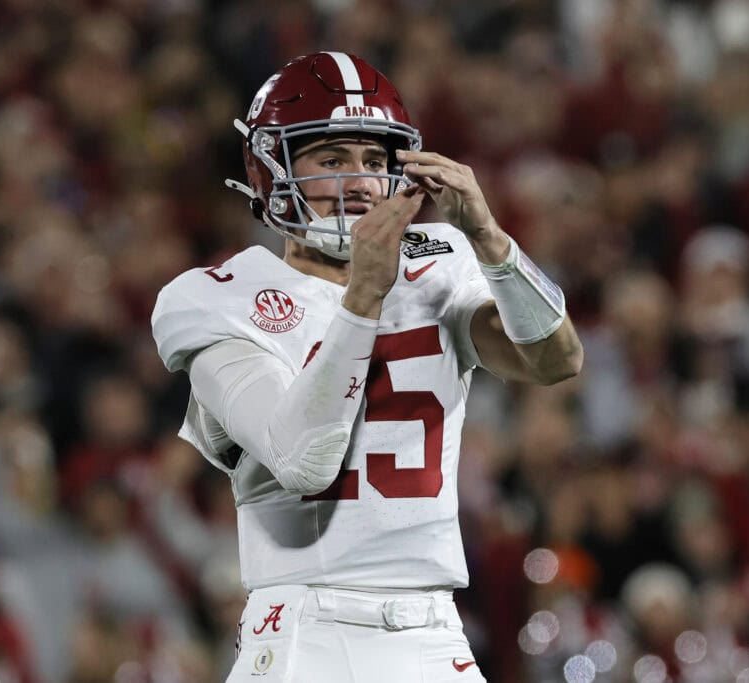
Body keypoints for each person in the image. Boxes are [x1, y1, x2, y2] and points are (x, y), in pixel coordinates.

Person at [151, 51, 583, 682]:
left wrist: (491, 238)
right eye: (332, 159)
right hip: (306, 628)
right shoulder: (217, 296)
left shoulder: (442, 260)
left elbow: (556, 360)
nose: (359, 182)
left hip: (434, 628)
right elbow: (303, 460)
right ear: (271, 168)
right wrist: (363, 299)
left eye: (375, 161)